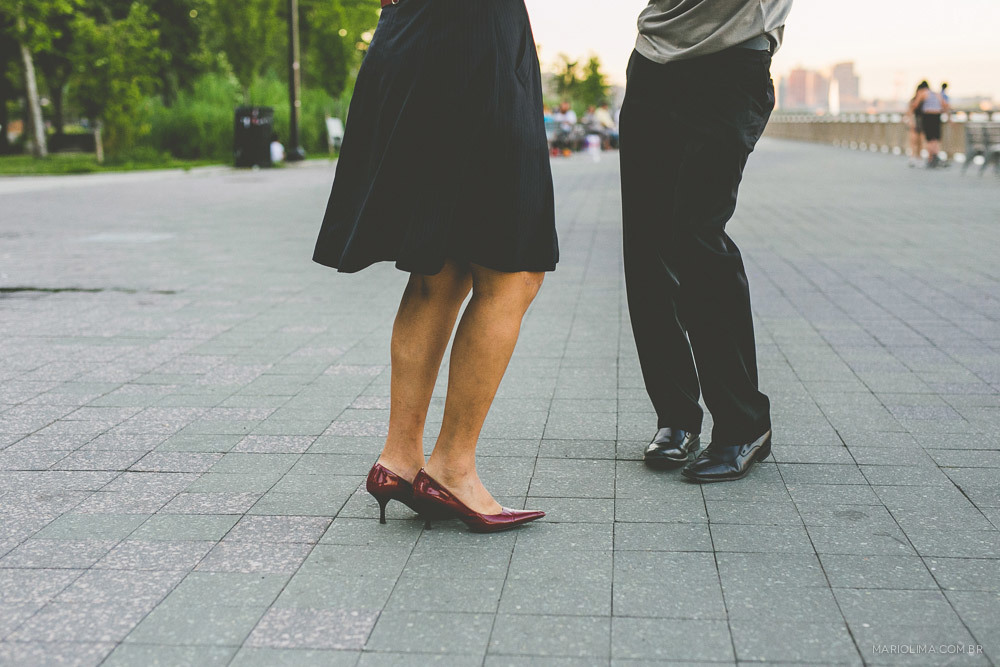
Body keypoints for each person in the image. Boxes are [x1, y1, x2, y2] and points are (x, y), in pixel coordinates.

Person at [312, 0, 557, 532]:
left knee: (439, 268)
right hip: (477, 38)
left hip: (409, 35)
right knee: (513, 271)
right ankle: (452, 468)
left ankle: (399, 459)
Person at [619, 0, 792, 482]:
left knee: (697, 236)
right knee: (647, 247)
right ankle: (675, 417)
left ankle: (743, 424)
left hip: (733, 59)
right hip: (654, 62)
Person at [915, 80, 950, 168]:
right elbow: (945, 105)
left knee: (929, 138)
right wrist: (948, 117)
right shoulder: (937, 94)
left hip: (927, 116)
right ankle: (935, 156)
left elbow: (915, 105)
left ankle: (931, 158)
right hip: (937, 116)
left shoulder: (923, 93)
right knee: (935, 138)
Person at [907, 83, 925, 168]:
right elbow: (910, 111)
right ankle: (912, 157)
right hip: (915, 121)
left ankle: (919, 158)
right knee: (913, 141)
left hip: (922, 122)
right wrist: (911, 122)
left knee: (920, 141)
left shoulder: (925, 101)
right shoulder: (914, 100)